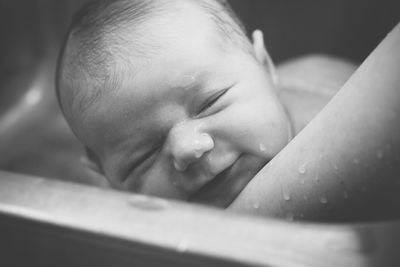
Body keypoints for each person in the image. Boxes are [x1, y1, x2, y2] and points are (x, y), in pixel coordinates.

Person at [57, 0, 398, 220]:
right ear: (102, 173)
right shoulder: (112, 218)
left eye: (210, 102)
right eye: (141, 156)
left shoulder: (346, 147)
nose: (188, 149)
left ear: (266, 66)